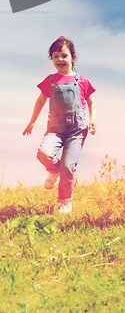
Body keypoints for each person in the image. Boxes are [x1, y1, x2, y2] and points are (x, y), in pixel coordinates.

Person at [23, 36, 97, 213]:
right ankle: (53, 170)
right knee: (43, 153)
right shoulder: (50, 81)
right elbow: (40, 101)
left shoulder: (82, 80)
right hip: (55, 129)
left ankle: (64, 201)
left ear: (73, 56)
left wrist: (92, 119)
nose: (60, 60)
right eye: (55, 56)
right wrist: (32, 122)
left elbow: (91, 101)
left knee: (68, 166)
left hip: (77, 130)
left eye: (64, 55)